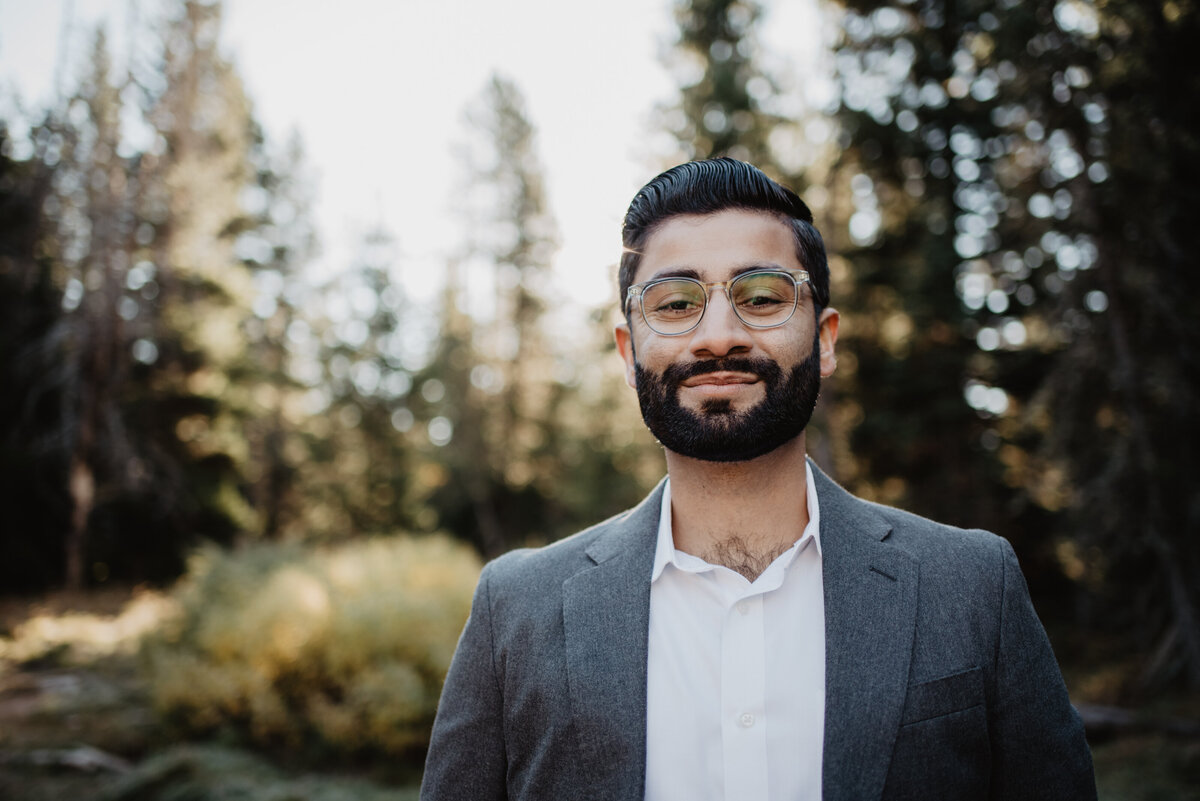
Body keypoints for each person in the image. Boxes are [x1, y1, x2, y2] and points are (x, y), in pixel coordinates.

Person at [420, 158, 1096, 801]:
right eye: (676, 302)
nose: (720, 334)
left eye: (763, 295)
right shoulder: (514, 610)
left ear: (824, 338)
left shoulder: (974, 585)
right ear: (629, 350)